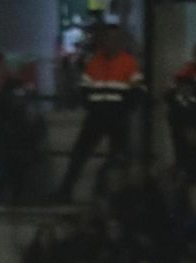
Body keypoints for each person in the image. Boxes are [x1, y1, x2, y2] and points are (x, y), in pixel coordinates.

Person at [56, 25, 143, 201]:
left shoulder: (128, 63)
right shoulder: (94, 62)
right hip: (97, 115)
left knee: (118, 156)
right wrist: (91, 105)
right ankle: (65, 191)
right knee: (80, 153)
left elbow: (137, 92)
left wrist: (123, 109)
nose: (109, 42)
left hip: (116, 117)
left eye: (113, 38)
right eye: (107, 38)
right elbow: (85, 87)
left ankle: (119, 196)